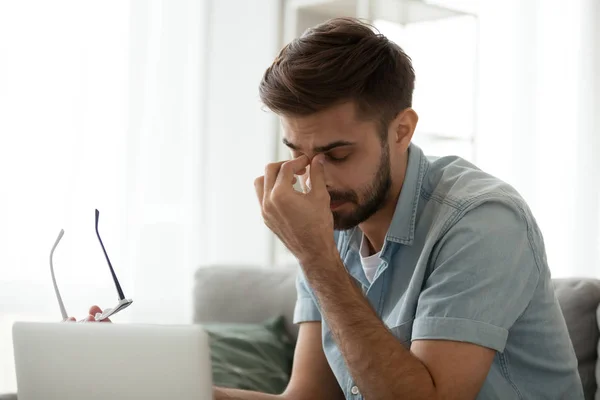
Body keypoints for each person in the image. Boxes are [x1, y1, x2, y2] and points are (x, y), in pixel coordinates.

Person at [78, 17, 584, 400]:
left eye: (337, 154)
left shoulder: (481, 222)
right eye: (297, 153)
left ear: (402, 130)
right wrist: (138, 379)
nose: (311, 177)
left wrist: (315, 257)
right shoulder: (334, 221)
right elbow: (308, 398)